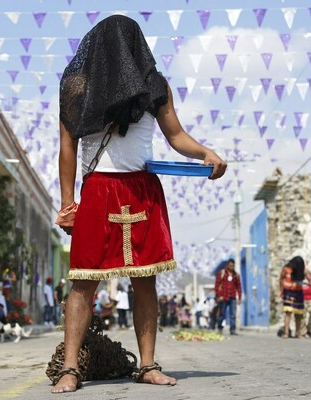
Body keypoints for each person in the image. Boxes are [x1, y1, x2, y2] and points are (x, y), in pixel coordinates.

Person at [52, 15, 226, 393]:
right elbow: (67, 147)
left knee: (145, 280)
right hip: (97, 190)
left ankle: (148, 365)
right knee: (83, 281)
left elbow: (176, 135)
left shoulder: (154, 86)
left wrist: (206, 154)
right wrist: (68, 203)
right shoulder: (77, 87)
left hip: (141, 190)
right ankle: (70, 369)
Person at [279, 256, 305, 339]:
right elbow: (281, 278)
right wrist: (282, 290)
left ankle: (298, 333)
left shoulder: (301, 270)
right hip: (288, 292)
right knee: (288, 313)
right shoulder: (287, 269)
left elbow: (309, 278)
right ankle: (286, 333)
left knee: (298, 314)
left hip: (298, 293)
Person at [215, 259, 242, 335]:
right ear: (227, 265)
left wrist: (239, 298)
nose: (231, 267)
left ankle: (232, 330)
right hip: (223, 297)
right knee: (222, 314)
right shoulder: (222, 273)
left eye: (233, 266)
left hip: (232, 297)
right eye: (230, 265)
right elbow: (217, 285)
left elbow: (239, 287)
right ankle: (220, 328)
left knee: (233, 314)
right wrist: (219, 296)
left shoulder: (236, 275)